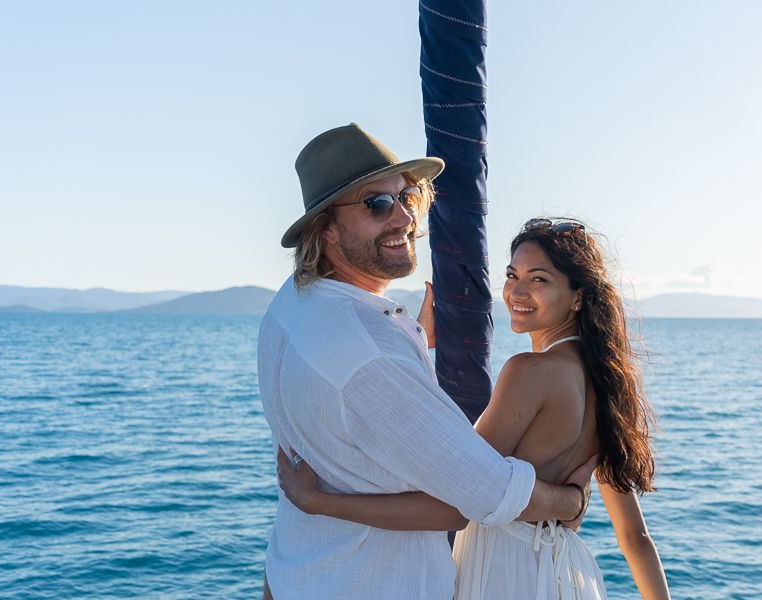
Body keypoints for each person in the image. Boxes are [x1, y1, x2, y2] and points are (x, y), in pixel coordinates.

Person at [259, 124, 593, 600]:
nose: (404, 218)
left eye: (406, 196)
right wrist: (569, 503)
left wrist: (410, 339)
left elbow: (354, 415)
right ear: (326, 228)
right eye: (377, 204)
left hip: (295, 575)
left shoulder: (290, 305)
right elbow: (477, 496)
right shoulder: (372, 357)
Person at [277, 217, 672, 599]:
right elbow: (635, 537)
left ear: (578, 297)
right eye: (512, 275)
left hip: (507, 572)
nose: (517, 292)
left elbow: (454, 498)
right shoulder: (607, 381)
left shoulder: (528, 372)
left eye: (539, 279)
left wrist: (321, 502)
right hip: (569, 575)